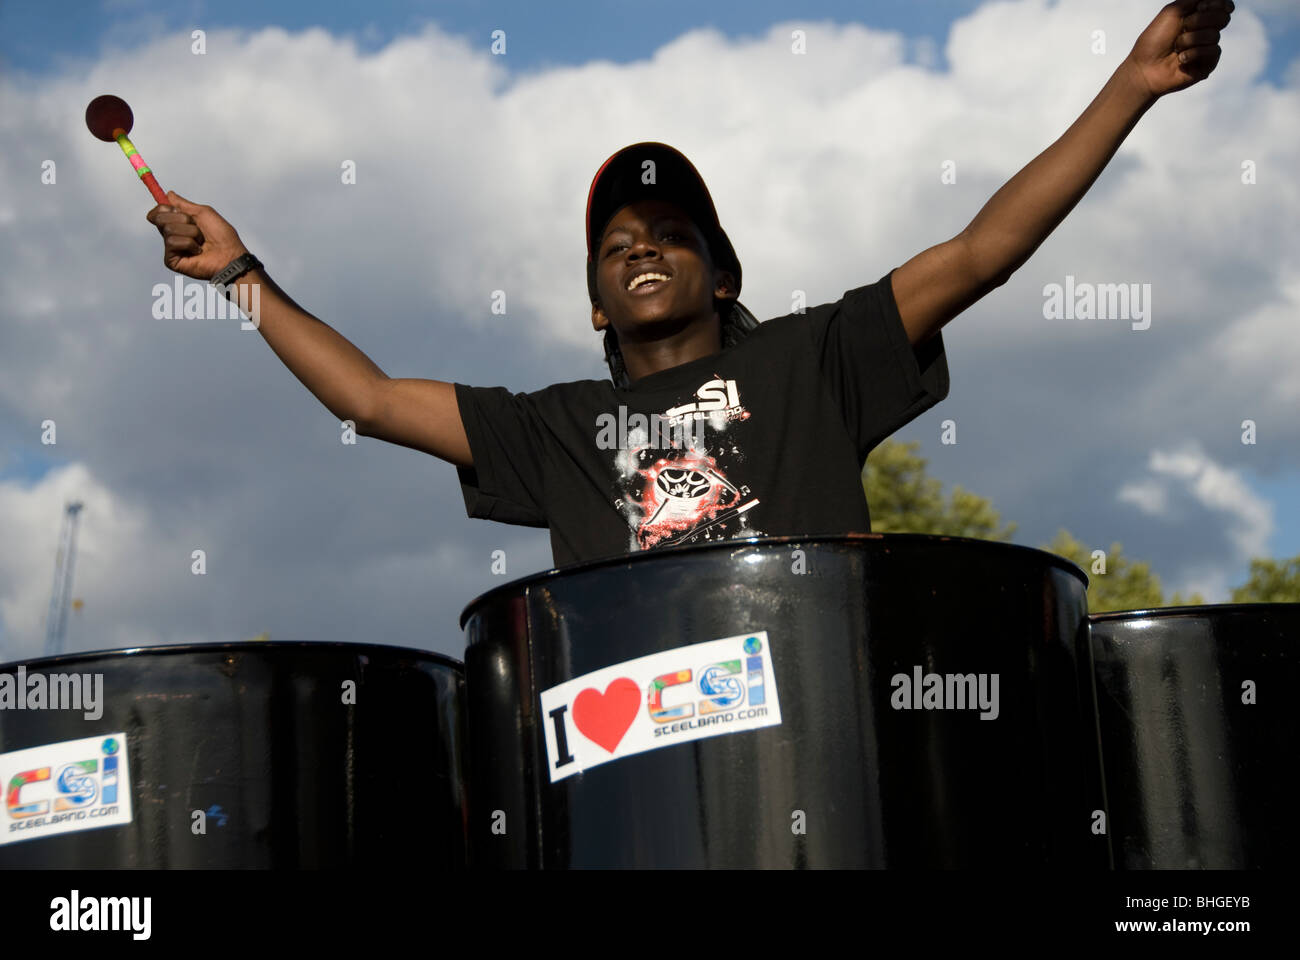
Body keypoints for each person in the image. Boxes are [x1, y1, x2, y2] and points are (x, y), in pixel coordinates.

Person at [146, 0, 1233, 570]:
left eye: (672, 231)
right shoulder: (557, 431)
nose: (641, 246)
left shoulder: (811, 362)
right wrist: (238, 272)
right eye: (615, 242)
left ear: (722, 276)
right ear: (592, 300)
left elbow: (981, 249)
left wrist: (1131, 83)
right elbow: (369, 401)